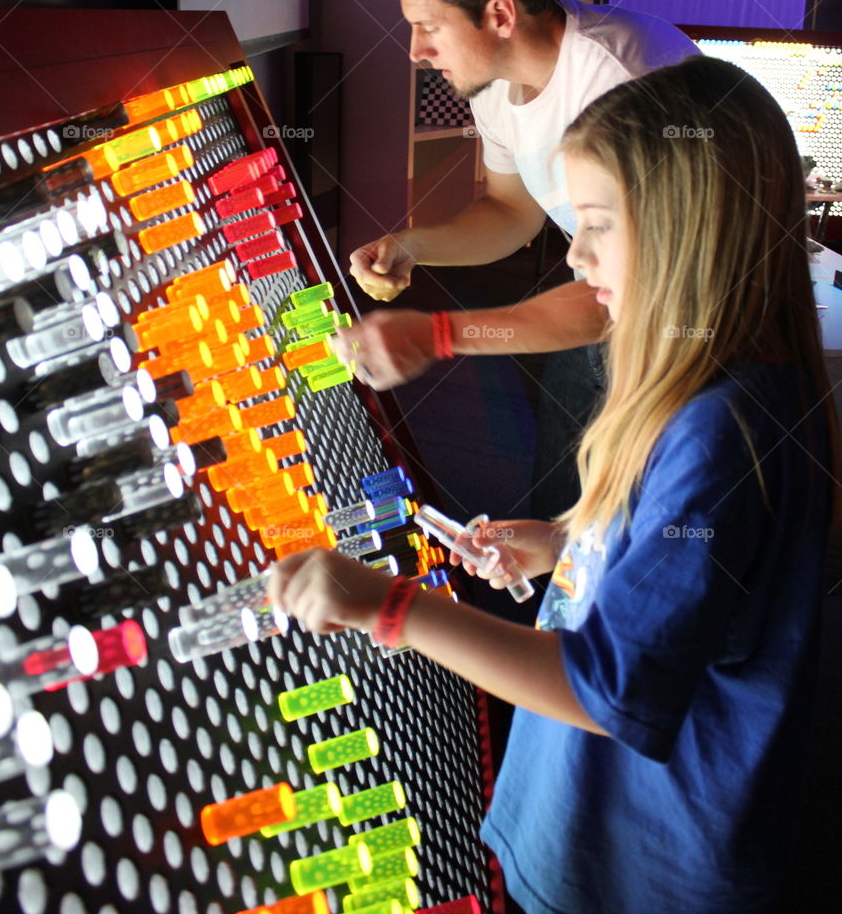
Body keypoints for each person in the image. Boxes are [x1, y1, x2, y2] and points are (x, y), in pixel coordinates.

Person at [268, 56, 840, 914]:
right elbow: (692, 568)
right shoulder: (723, 395)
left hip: (636, 869)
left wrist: (393, 610)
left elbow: (607, 691)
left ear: (692, 229)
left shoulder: (722, 431)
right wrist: (567, 543)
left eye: (599, 225)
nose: (572, 255)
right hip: (592, 832)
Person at [337, 0, 699, 516]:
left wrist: (437, 335)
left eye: (428, 26)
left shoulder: (623, 82)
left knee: (632, 540)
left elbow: (637, 295)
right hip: (598, 301)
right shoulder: (495, 85)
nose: (415, 51)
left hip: (685, 338)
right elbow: (512, 211)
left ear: (500, 14)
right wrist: (412, 246)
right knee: (557, 505)